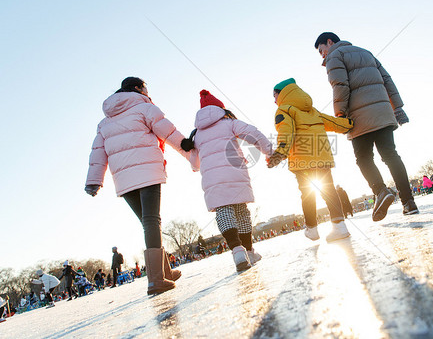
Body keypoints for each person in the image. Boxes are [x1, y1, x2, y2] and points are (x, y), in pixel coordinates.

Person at [85, 77, 186, 295]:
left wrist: (93, 181)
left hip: (123, 178)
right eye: (146, 87)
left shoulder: (105, 122)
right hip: (147, 170)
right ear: (139, 88)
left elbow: (98, 152)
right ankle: (156, 280)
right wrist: (186, 146)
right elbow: (166, 131)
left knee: (148, 223)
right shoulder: (144, 106)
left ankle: (164, 273)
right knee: (151, 221)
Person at [314, 32, 419, 220]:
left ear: (330, 42)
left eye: (321, 50)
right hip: (383, 112)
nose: (322, 55)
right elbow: (387, 79)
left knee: (363, 158)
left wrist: (340, 114)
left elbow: (340, 85)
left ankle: (380, 191)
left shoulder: (335, 56)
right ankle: (409, 202)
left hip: (359, 116)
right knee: (391, 155)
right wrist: (398, 107)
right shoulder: (366, 52)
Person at [181, 90, 273, 272]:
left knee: (224, 212)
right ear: (220, 108)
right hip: (236, 174)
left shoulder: (196, 134)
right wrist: (269, 152)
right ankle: (249, 251)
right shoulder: (229, 122)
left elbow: (194, 164)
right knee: (241, 212)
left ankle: (237, 251)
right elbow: (252, 133)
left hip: (213, 180)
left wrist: (193, 151)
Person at [267, 78, 354, 242]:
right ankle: (340, 227)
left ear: (283, 93)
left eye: (275, 96)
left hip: (302, 160)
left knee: (307, 193)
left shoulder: (284, 111)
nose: (274, 100)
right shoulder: (312, 111)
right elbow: (333, 122)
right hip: (322, 156)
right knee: (329, 191)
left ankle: (312, 229)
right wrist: (348, 124)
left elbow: (287, 132)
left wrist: (279, 154)